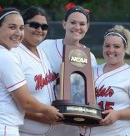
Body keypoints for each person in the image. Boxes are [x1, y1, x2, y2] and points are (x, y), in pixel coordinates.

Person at [0, 7, 63, 136]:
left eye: (21, 28)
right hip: (0, 128)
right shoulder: (5, 57)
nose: (18, 33)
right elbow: (25, 102)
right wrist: (47, 110)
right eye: (12, 27)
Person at [80, 25, 130, 136]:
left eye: (116, 46)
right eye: (107, 46)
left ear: (125, 48)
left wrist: (118, 114)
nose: (111, 50)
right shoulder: (91, 71)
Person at [38, 6, 97, 136]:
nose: (77, 27)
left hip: (73, 122)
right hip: (44, 119)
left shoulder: (90, 57)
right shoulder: (46, 46)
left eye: (82, 24)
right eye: (72, 22)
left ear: (87, 27)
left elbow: (89, 93)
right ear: (64, 24)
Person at [11, 6, 58, 136]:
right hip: (22, 132)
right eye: (34, 25)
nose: (39, 30)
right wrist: (43, 116)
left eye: (44, 27)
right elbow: (11, 102)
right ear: (22, 26)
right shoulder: (15, 54)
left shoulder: (42, 52)